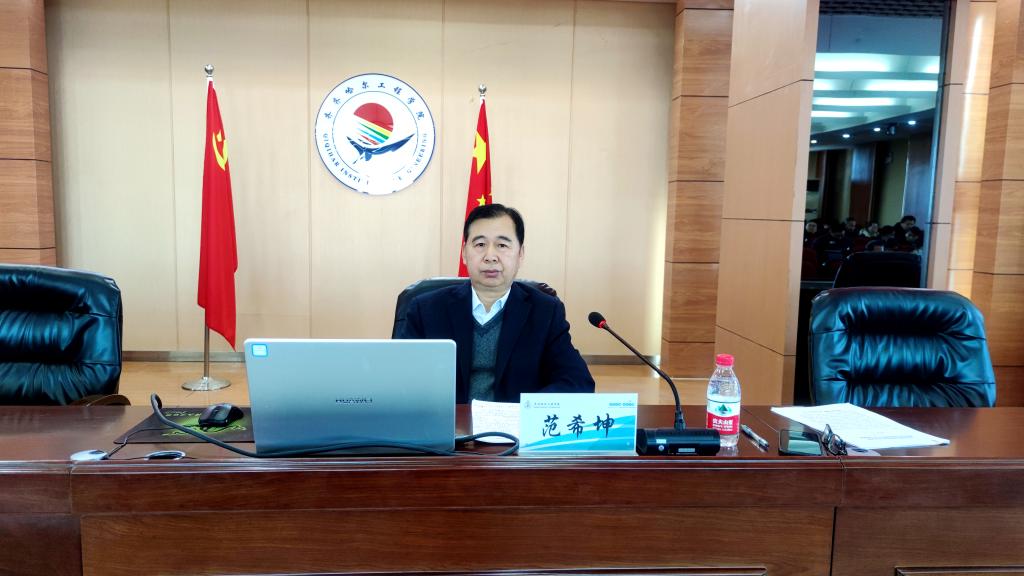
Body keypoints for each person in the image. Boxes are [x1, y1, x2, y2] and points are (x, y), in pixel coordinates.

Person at [397, 204, 595, 403]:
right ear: (464, 253)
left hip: (515, 422)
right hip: (449, 421)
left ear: (520, 254)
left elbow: (577, 381)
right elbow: (401, 378)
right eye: (480, 244)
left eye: (502, 245)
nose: (490, 257)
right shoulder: (426, 309)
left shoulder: (546, 311)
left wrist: (528, 409)